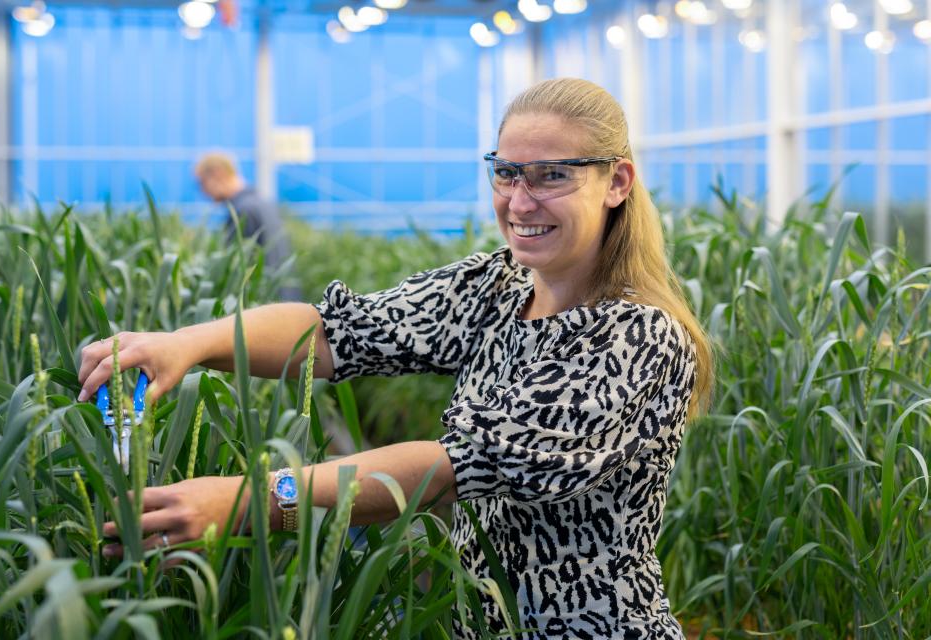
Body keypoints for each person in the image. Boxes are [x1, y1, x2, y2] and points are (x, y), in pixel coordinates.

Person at [79, 78, 713, 638]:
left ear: (616, 182)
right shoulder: (497, 287)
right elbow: (337, 332)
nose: (520, 201)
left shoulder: (638, 335)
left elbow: (449, 469)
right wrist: (187, 343)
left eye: (552, 175)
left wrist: (252, 502)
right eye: (506, 172)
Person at [195, 152, 297, 298]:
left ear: (218, 173)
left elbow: (236, 269)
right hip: (284, 297)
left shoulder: (243, 211)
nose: (203, 191)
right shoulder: (262, 202)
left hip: (265, 301)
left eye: (202, 183)